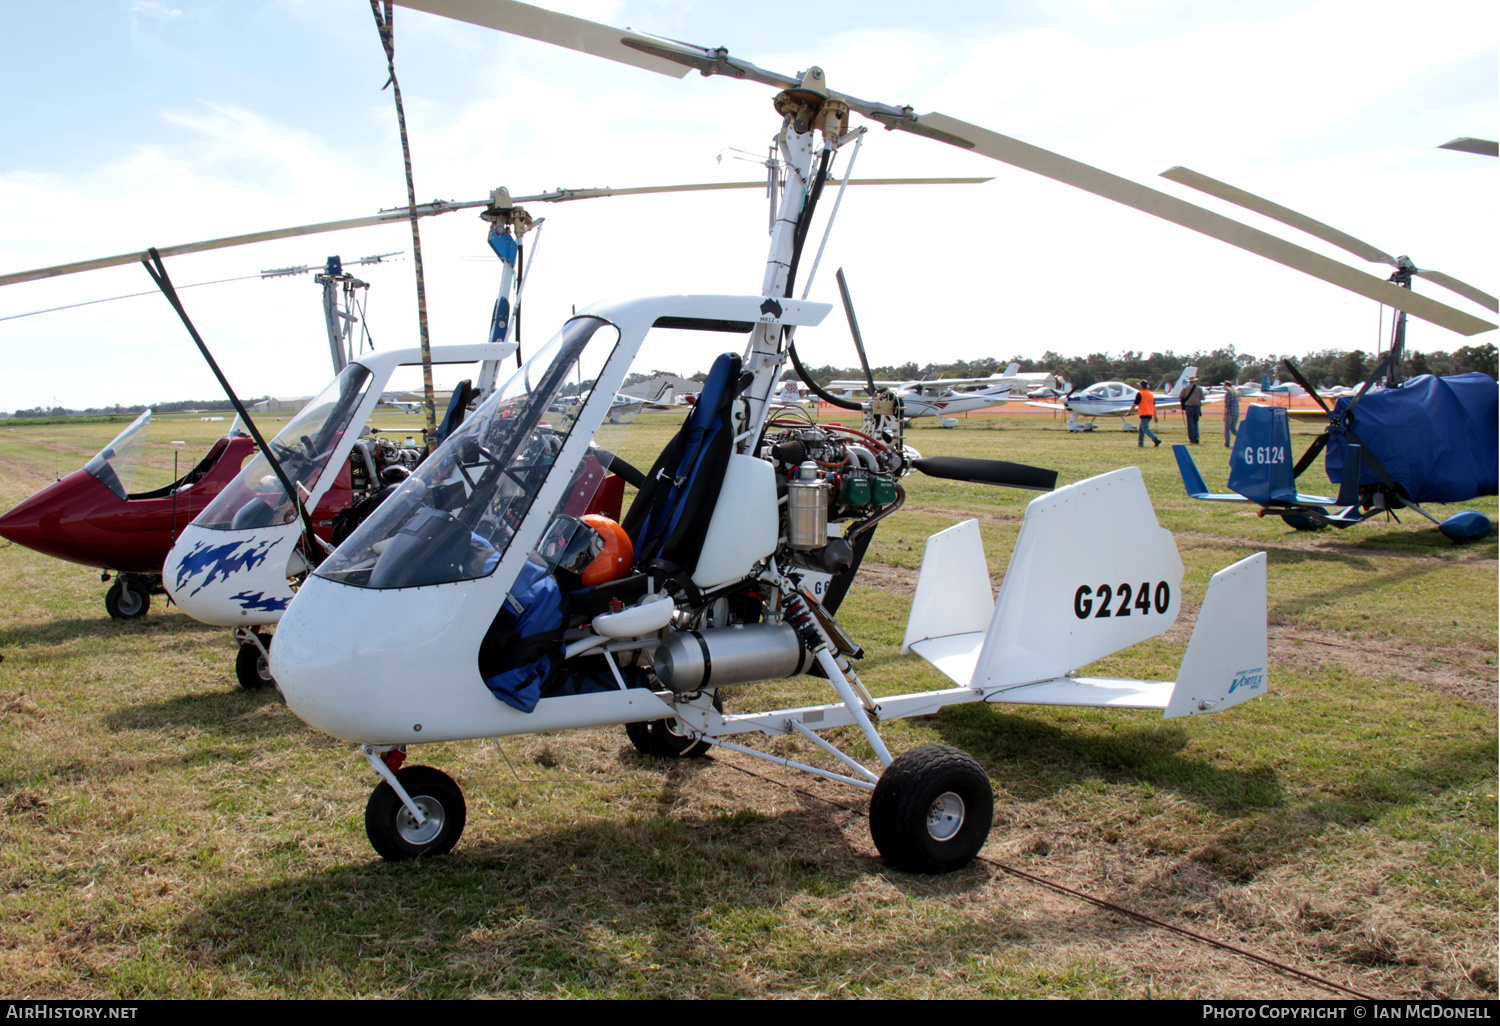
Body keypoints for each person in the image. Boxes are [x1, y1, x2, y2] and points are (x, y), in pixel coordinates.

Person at [1131, 380, 1160, 447]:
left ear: (1141, 386)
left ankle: (1155, 439)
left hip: (1144, 413)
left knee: (1145, 429)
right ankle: (1140, 443)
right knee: (1141, 429)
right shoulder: (1150, 393)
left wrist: (1129, 412)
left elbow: (1135, 404)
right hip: (1150, 413)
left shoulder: (1140, 393)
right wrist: (1155, 416)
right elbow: (1153, 405)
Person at [1179, 375, 1205, 444]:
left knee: (1190, 423)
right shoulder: (1199, 388)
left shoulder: (1185, 388)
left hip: (1189, 407)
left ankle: (1192, 439)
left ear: (1189, 382)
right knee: (1196, 422)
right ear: (1195, 381)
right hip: (1197, 407)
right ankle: (1196, 437)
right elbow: (1203, 398)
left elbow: (1180, 396)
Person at [1222, 380, 1240, 448]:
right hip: (1236, 412)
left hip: (1230, 413)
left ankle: (1227, 443)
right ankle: (1241, 437)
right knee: (1233, 429)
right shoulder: (1235, 393)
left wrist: (1224, 415)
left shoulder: (1228, 394)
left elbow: (1227, 405)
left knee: (1227, 429)